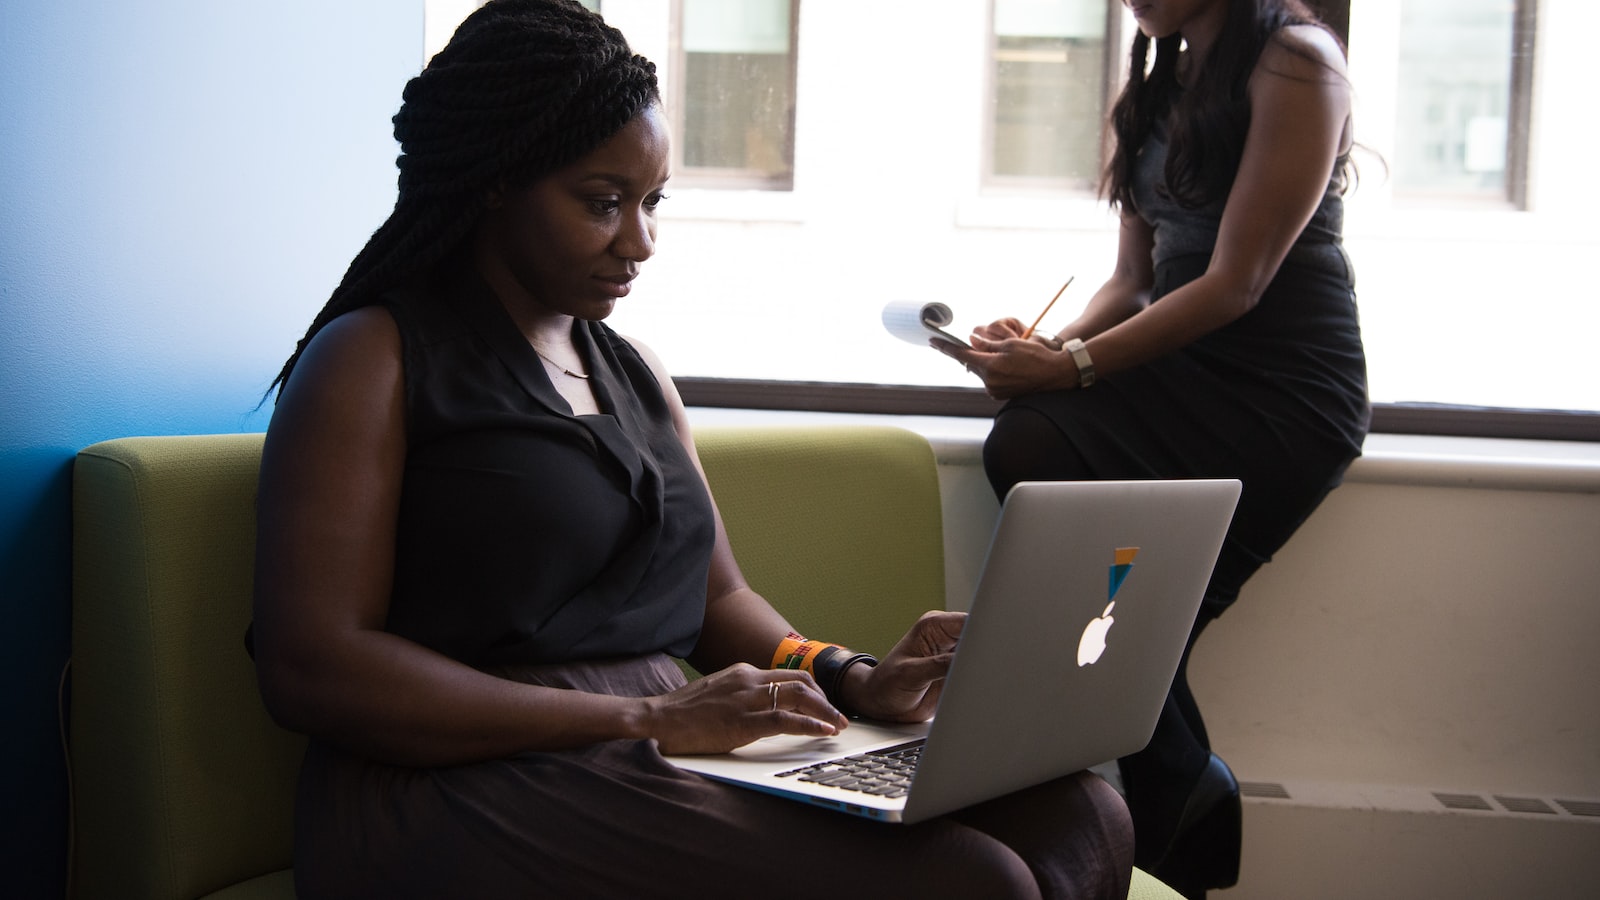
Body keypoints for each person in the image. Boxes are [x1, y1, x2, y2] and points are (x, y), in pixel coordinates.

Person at [250, 2, 1133, 897]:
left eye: (651, 202)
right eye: (602, 204)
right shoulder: (373, 357)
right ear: (494, 181)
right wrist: (644, 714)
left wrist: (851, 676)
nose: (639, 243)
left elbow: (722, 601)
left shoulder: (635, 375)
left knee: (1083, 819)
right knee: (973, 883)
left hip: (657, 736)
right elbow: (315, 665)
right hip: (457, 776)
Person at [936, 1, 1368, 898]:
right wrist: (1049, 355)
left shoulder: (1299, 62)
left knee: (1134, 618)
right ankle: (1182, 793)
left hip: (1283, 389)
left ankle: (1164, 800)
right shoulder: (1158, 81)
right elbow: (1133, 280)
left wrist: (1076, 366)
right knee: (1027, 440)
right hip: (1177, 364)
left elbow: (1236, 282)